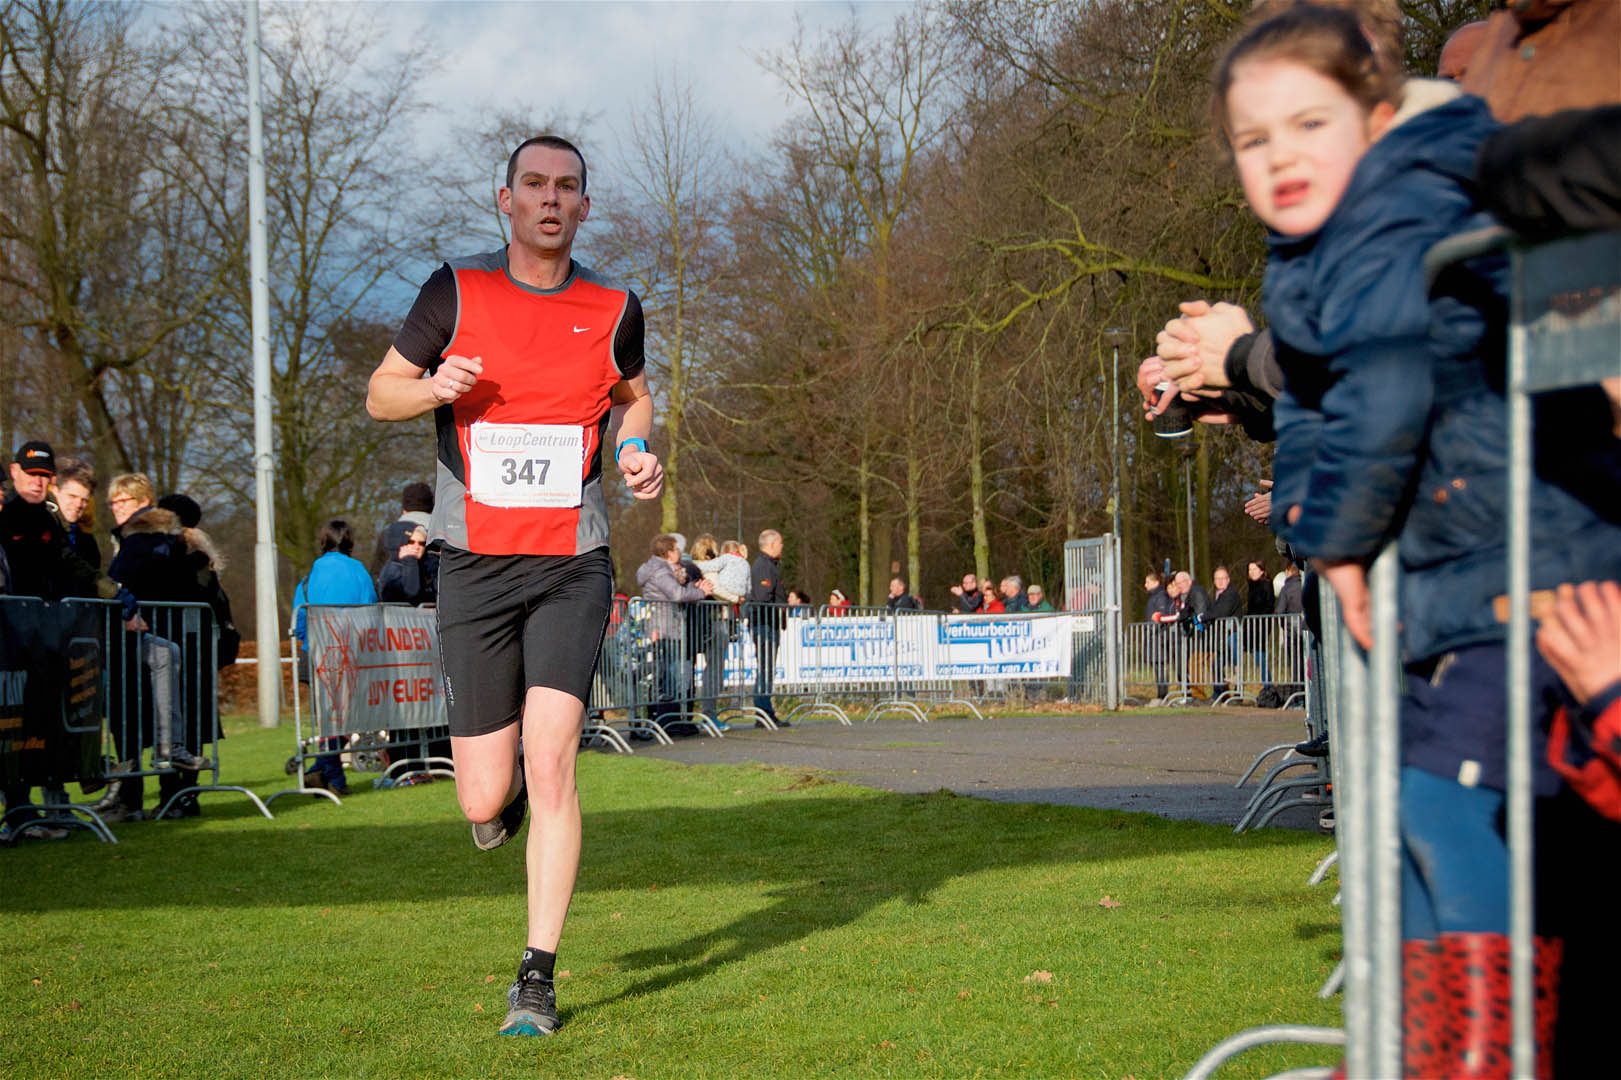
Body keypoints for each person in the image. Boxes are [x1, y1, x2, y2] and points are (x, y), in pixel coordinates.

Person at [1214, 9, 1621, 1072]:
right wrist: (1315, 531)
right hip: (1455, 575)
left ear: (1378, 116)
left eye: (1310, 123)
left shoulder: (1398, 210)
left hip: (1525, 569)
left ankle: (1490, 1049)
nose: (1281, 155)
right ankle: (1418, 1050)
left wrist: (1338, 539)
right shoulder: (1314, 244)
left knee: (1444, 811)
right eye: (1253, 139)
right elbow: (1317, 398)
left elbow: (1385, 381)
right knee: (1404, 818)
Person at [365, 134, 663, 1037]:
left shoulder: (613, 305)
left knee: (555, 756)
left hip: (572, 562)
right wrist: (433, 388)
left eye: (566, 186)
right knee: (481, 796)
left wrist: (635, 448)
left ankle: (535, 976)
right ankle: (505, 802)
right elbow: (381, 392)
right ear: (506, 200)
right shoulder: (455, 290)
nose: (550, 198)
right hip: (474, 564)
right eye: (534, 183)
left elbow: (634, 395)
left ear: (584, 206)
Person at [1, 442, 138, 840]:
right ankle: (21, 813)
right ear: (15, 473)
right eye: (32, 474)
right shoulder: (5, 517)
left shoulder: (47, 521)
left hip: (45, 640)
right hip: (11, 638)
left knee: (44, 725)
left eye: (45, 476)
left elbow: (70, 564)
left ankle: (48, 810)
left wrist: (112, 590)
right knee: (13, 730)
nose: (38, 482)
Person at [291, 519, 377, 796]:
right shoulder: (359, 571)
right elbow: (371, 614)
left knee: (326, 721)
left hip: (314, 654)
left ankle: (321, 770)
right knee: (344, 720)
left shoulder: (310, 576)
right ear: (349, 540)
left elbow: (299, 622)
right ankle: (333, 778)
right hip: (349, 654)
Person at [635, 533, 714, 731]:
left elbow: (676, 591)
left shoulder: (657, 569)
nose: (680, 552)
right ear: (669, 553)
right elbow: (677, 594)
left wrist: (693, 587)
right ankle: (667, 721)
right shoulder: (661, 571)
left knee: (671, 674)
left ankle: (670, 719)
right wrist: (701, 593)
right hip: (667, 628)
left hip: (666, 626)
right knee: (671, 674)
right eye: (677, 549)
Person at [748, 528, 789, 726]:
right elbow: (763, 596)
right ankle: (763, 711)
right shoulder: (763, 566)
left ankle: (764, 711)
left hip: (768, 623)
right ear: (772, 544)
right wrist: (779, 606)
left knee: (767, 668)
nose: (782, 546)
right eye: (780, 543)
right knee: (765, 668)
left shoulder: (769, 565)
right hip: (764, 623)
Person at [49, 457, 100, 570]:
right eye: (72, 496)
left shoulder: (87, 543)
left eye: (84, 500)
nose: (78, 504)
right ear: (55, 490)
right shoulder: (38, 529)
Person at [378, 525, 434, 605]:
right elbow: (407, 597)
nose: (416, 547)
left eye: (421, 543)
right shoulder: (394, 568)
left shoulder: (429, 566)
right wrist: (409, 562)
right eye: (411, 542)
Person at [1208, 566, 1242, 693]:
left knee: (1236, 666)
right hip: (1222, 637)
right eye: (1217, 578)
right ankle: (1220, 693)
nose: (1220, 581)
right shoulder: (1218, 595)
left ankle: (1238, 693)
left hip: (1232, 635)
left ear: (1228, 579)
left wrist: (1202, 617)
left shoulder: (1230, 594)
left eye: (1223, 578)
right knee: (1216, 665)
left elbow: (1220, 612)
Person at [1144, 572, 1177, 702]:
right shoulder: (1153, 597)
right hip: (1154, 636)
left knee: (1161, 666)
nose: (1145, 585)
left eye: (1148, 582)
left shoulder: (1161, 596)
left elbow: (1161, 614)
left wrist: (1154, 627)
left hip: (1159, 637)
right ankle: (1160, 694)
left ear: (1156, 582)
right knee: (1157, 666)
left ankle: (1163, 695)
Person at [1244, 560, 1275, 686]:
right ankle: (1265, 683)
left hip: (1261, 626)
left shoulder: (1266, 585)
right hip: (1251, 626)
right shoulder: (1251, 586)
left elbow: (1269, 605)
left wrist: (1258, 619)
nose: (1251, 572)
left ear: (1262, 571)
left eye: (1254, 569)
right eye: (1250, 569)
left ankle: (1267, 684)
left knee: (1259, 655)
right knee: (1255, 654)